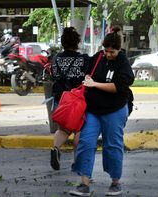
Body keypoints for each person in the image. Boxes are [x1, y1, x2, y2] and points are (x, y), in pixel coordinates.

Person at [69, 26, 134, 196]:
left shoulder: (122, 62)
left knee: (112, 145)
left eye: (112, 52)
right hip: (93, 109)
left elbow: (119, 87)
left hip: (115, 109)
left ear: (119, 50)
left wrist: (95, 84)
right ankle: (84, 183)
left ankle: (115, 182)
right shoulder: (98, 57)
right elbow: (87, 73)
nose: (109, 54)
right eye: (106, 51)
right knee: (85, 143)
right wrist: (87, 78)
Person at [50, 27, 90, 171]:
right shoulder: (84, 59)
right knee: (79, 131)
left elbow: (53, 76)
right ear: (77, 43)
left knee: (63, 129)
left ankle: (55, 148)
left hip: (61, 99)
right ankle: (76, 163)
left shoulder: (56, 59)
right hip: (77, 99)